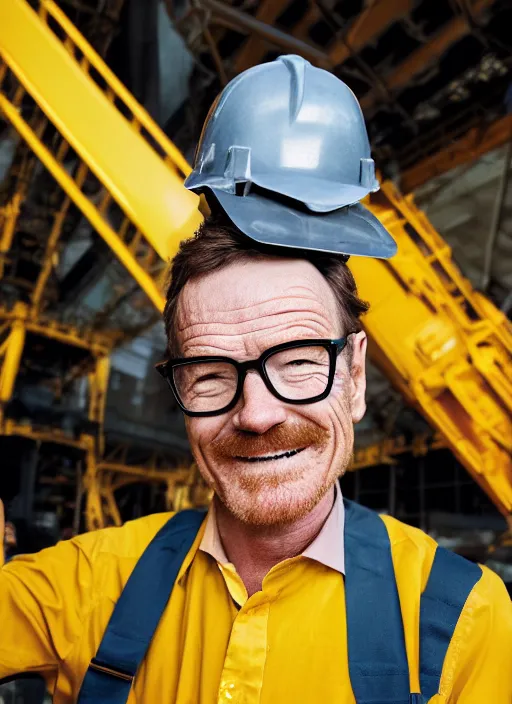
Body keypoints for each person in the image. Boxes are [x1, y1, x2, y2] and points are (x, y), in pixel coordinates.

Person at [1, 56, 511, 704]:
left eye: (298, 360)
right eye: (212, 373)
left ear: (354, 376)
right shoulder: (88, 584)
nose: (258, 413)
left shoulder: (464, 622)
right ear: (179, 394)